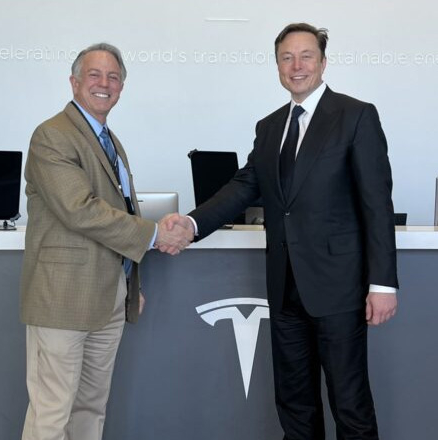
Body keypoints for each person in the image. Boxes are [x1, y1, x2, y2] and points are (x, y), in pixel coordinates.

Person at [166, 23, 399, 439]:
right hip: (285, 288)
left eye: (306, 56)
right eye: (286, 57)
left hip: (338, 289)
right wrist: (192, 223)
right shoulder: (270, 126)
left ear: (323, 62)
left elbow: (377, 204)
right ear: (277, 65)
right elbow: (244, 187)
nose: (296, 66)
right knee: (294, 405)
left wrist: (382, 283)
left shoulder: (356, 116)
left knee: (350, 405)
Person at [20, 43, 192, 440]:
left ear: (121, 88)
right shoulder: (52, 135)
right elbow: (79, 209)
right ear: (74, 82)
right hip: (63, 299)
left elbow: (121, 210)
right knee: (52, 412)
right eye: (94, 75)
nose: (104, 83)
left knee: (90, 410)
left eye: (113, 77)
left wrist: (129, 283)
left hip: (109, 296)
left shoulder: (110, 141)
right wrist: (154, 234)